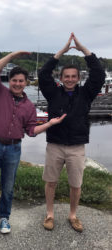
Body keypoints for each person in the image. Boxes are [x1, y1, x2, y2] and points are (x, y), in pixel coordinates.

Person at [0, 51, 66, 235]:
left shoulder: (29, 106)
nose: (17, 84)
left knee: (8, 187)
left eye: (21, 81)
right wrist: (13, 55)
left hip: (13, 148)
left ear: (26, 83)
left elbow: (31, 131)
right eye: (14, 80)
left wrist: (49, 123)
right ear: (9, 81)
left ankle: (4, 218)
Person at [38, 33, 105, 232]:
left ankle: (73, 215)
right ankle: (50, 214)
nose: (69, 79)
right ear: (61, 78)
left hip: (76, 147)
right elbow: (43, 74)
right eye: (66, 76)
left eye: (73, 77)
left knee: (76, 185)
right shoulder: (52, 92)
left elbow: (99, 74)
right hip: (55, 145)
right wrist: (61, 52)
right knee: (51, 182)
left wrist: (84, 50)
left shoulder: (86, 93)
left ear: (78, 78)